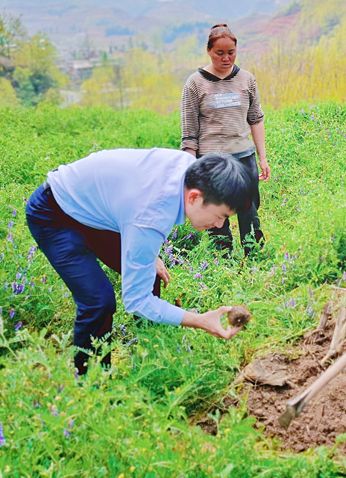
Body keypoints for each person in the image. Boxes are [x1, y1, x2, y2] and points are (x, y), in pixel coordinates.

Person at [25, 148, 255, 375]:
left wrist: (146, 251)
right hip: (54, 212)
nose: (219, 225)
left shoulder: (190, 169)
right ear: (194, 197)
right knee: (98, 302)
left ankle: (150, 351)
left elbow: (137, 203)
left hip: (98, 207)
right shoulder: (151, 216)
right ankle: (92, 386)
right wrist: (200, 320)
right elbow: (136, 300)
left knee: (151, 272)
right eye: (221, 216)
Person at [180, 23, 270, 256]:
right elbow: (189, 134)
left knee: (249, 210)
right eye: (220, 53)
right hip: (212, 162)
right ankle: (223, 259)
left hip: (243, 158)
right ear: (209, 51)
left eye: (231, 52)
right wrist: (190, 170)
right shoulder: (195, 83)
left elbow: (256, 119)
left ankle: (254, 256)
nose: (226, 58)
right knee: (216, 215)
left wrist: (262, 157)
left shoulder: (246, 80)